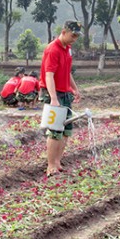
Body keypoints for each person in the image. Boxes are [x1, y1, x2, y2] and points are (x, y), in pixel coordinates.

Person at [39, 20, 82, 177]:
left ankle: (57, 161)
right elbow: (49, 75)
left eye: (77, 36)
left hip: (65, 92)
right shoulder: (53, 49)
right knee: (55, 130)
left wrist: (75, 89)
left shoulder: (67, 49)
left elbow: (67, 71)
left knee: (66, 130)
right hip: (54, 92)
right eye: (73, 35)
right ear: (64, 32)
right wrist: (53, 98)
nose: (74, 39)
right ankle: (50, 165)